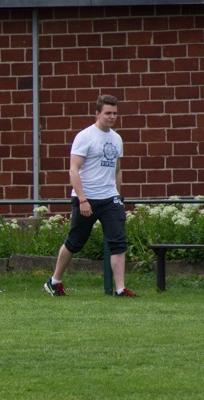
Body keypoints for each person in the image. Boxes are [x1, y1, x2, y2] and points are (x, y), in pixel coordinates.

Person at [44, 94, 137, 297]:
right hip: (87, 198)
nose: (112, 117)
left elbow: (118, 169)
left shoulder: (116, 138)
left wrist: (118, 196)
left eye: (115, 113)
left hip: (110, 198)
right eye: (108, 113)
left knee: (118, 242)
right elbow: (73, 170)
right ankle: (54, 281)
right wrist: (83, 199)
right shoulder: (85, 136)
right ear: (97, 114)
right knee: (75, 241)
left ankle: (120, 289)